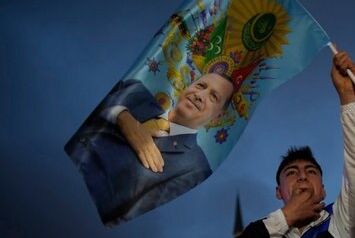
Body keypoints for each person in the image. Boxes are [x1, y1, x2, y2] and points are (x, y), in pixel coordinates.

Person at [217, 50, 355, 238]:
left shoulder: (339, 223)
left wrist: (347, 95)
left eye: (310, 171)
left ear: (322, 188)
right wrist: (286, 217)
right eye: (292, 172)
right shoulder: (263, 233)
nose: (302, 176)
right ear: (278, 191)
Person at [65, 73, 234, 226]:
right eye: (201, 86)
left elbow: (131, 217)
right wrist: (122, 116)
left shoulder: (196, 168)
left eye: (213, 97)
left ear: (217, 117)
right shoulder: (134, 91)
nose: (200, 95)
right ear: (188, 86)